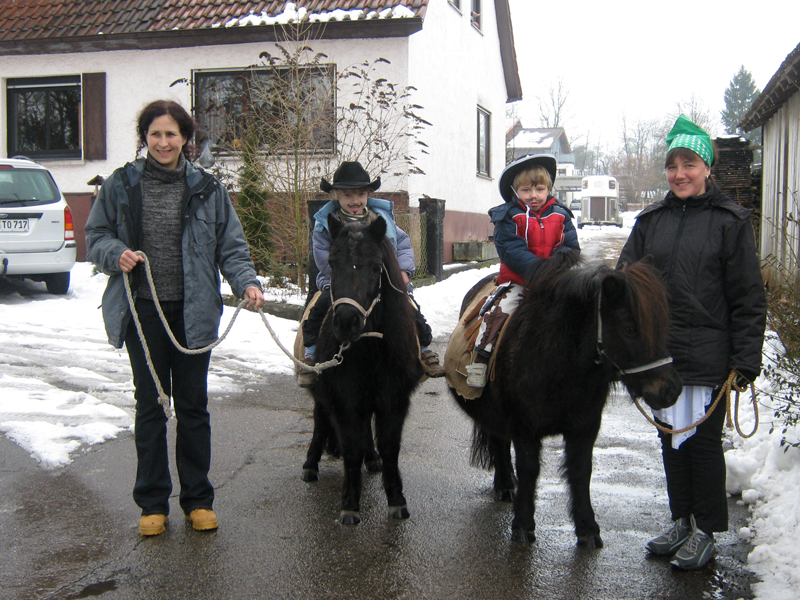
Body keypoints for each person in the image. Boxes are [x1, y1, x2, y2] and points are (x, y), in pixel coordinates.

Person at [85, 100, 264, 536]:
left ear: (185, 138)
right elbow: (96, 236)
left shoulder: (208, 188)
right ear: (144, 137)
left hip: (193, 313)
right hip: (142, 310)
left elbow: (231, 246)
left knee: (192, 406)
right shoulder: (121, 185)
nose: (163, 142)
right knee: (150, 405)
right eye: (155, 134)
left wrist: (246, 283)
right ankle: (152, 504)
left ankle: (198, 500)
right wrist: (115, 252)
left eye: (171, 134)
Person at [618, 114, 766, 570]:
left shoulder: (730, 222)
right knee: (670, 440)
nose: (679, 174)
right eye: (672, 166)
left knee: (701, 445)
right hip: (660, 356)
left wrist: (745, 359)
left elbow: (748, 297)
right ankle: (681, 520)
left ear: (706, 168)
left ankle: (707, 531)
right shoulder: (651, 221)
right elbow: (625, 282)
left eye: (689, 164)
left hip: (708, 354)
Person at [298, 161, 444, 388]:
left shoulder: (380, 220)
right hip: (338, 283)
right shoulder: (327, 224)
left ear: (368, 194)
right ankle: (310, 353)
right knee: (319, 308)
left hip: (380, 282)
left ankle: (424, 348)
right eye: (347, 195)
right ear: (336, 195)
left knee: (410, 307)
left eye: (360, 194)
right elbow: (321, 254)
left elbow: (403, 244)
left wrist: (402, 271)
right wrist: (343, 273)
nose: (355, 200)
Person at [465, 154, 580, 388]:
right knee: (499, 312)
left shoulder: (561, 215)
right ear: (515, 191)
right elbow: (511, 250)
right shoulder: (508, 216)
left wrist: (556, 267)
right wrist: (539, 270)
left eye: (539, 189)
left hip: (554, 281)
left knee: (579, 312)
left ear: (548, 189)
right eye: (526, 190)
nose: (533, 195)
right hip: (519, 281)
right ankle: (481, 357)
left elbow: (570, 247)